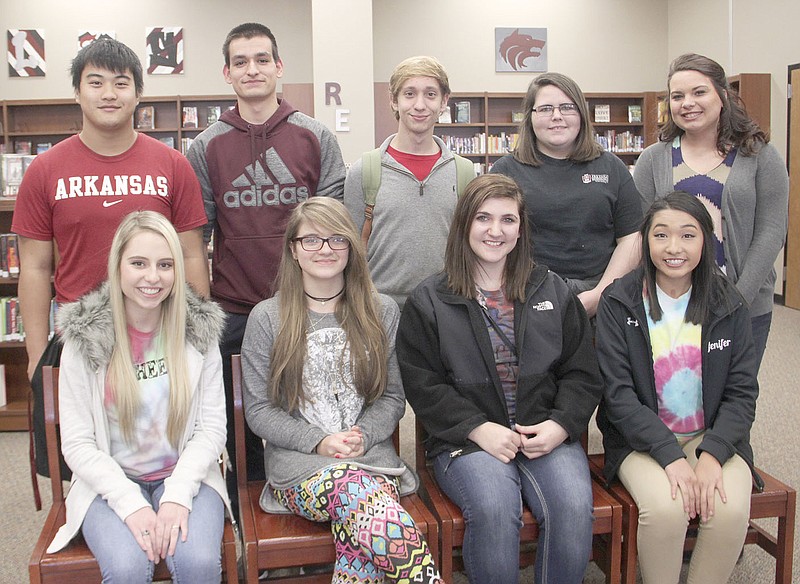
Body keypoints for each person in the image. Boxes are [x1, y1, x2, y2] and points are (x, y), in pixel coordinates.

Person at [12, 38, 209, 480]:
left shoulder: (172, 164)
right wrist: (35, 350)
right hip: (83, 335)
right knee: (84, 454)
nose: (108, 94)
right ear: (77, 93)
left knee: (162, 447)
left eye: (121, 84)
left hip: (157, 329)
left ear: (138, 94)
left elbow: (192, 254)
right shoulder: (45, 171)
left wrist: (196, 330)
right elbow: (37, 268)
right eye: (95, 82)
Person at [397, 174, 602, 584]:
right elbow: (423, 385)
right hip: (468, 441)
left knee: (573, 505)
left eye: (508, 219)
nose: (496, 230)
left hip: (544, 431)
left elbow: (582, 372)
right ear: (463, 225)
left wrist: (561, 426)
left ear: (521, 228)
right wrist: (478, 429)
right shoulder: (430, 299)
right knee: (493, 506)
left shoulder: (552, 289)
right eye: (483, 218)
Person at [241, 198, 442, 584]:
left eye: (337, 239)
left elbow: (391, 397)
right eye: (311, 240)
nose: (325, 249)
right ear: (294, 250)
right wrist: (318, 442)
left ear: (351, 248)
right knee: (358, 496)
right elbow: (260, 411)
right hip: (302, 469)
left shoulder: (381, 311)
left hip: (369, 457)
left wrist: (361, 436)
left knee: (359, 535)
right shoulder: (267, 317)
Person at [186, 22, 346, 494]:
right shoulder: (205, 146)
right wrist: (201, 315)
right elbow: (196, 238)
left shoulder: (315, 137)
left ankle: (314, 510)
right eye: (240, 62)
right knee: (242, 429)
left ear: (279, 67)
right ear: (227, 73)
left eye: (261, 59)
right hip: (234, 310)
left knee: (312, 415)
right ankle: (255, 528)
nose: (251, 69)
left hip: (309, 308)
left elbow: (333, 230)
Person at [46, 211, 229, 583]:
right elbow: (78, 444)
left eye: (165, 265)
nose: (152, 277)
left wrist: (177, 495)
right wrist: (130, 505)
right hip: (109, 484)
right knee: (128, 567)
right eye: (139, 263)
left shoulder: (199, 333)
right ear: (117, 267)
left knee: (199, 564)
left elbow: (211, 430)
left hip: (185, 476)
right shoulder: (85, 340)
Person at [596, 191, 758, 584]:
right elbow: (618, 397)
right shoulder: (619, 302)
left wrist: (712, 455)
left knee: (729, 508)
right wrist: (670, 455)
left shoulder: (729, 303)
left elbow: (742, 395)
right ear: (645, 241)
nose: (673, 248)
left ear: (706, 240)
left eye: (687, 235)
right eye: (661, 235)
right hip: (642, 442)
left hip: (713, 437)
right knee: (667, 508)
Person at [633, 53, 789, 372]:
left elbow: (771, 231)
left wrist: (737, 300)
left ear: (723, 96)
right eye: (677, 96)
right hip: (670, 302)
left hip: (744, 302)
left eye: (699, 92)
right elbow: (640, 231)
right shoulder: (653, 159)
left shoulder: (760, 155)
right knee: (675, 396)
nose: (687, 103)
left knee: (731, 397)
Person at [490, 72, 641, 318]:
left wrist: (601, 293)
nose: (557, 116)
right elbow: (492, 238)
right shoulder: (505, 171)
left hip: (604, 294)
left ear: (581, 114)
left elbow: (631, 237)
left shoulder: (612, 168)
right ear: (530, 116)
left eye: (567, 107)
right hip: (525, 295)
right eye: (546, 108)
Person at [344, 55, 476, 310]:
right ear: (394, 100)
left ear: (444, 101)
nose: (419, 105)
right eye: (409, 94)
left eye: (430, 94)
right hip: (379, 308)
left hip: (448, 306)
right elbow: (349, 250)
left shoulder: (464, 172)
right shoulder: (365, 171)